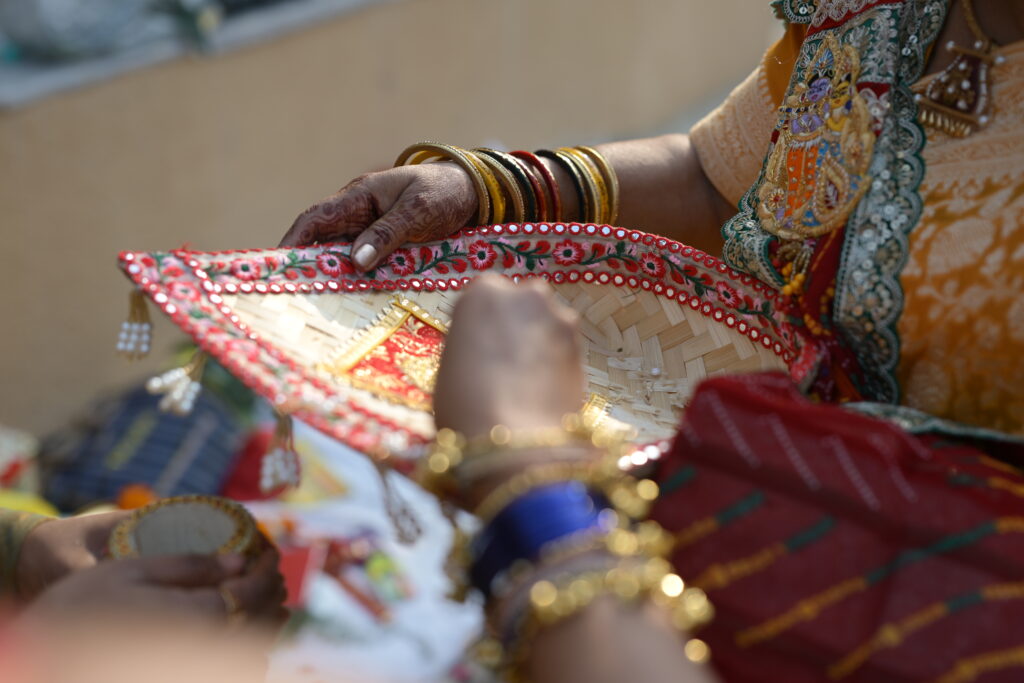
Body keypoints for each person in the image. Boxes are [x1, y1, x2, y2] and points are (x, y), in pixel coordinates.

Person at [277, 0, 1024, 681]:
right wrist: (493, 189)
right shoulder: (890, 13)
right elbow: (717, 180)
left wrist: (527, 465)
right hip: (709, 536)